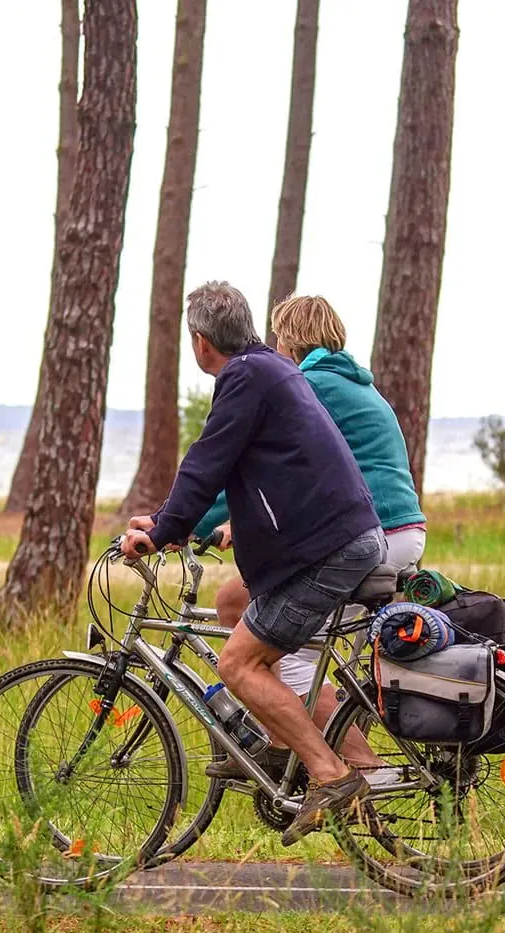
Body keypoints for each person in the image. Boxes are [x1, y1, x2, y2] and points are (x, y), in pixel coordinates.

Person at [120, 282, 386, 846]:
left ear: (199, 342)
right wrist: (173, 524)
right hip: (333, 542)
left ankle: (333, 776)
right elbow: (229, 470)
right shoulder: (268, 368)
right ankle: (286, 745)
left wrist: (162, 530)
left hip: (328, 550)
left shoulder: (245, 377)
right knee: (235, 606)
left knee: (239, 665)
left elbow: (207, 461)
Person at [196, 295, 428, 777]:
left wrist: (194, 522)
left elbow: (250, 460)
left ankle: (359, 767)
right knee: (236, 601)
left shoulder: (309, 385)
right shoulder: (354, 384)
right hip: (400, 531)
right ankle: (284, 743)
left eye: (279, 337)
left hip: (368, 535)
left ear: (289, 339)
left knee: (283, 644)